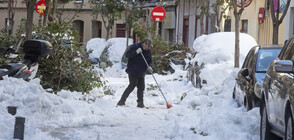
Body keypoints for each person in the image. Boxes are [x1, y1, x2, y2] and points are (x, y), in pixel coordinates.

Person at [117, 38, 153, 108]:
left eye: (149, 47)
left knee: (141, 87)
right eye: (148, 46)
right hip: (133, 70)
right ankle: (121, 101)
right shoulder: (135, 46)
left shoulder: (148, 51)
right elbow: (127, 55)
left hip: (141, 71)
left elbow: (150, 60)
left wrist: (150, 66)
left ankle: (140, 103)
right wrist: (136, 52)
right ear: (144, 43)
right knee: (132, 85)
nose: (148, 48)